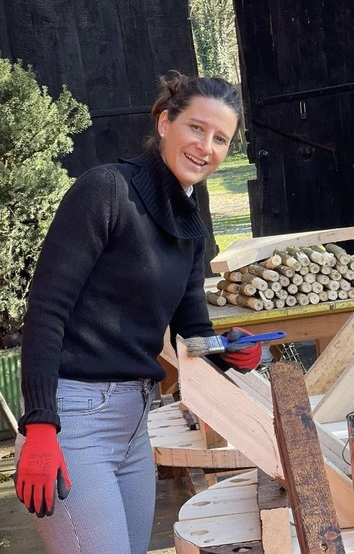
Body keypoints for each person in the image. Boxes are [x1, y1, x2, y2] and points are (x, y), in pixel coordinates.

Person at [13, 72, 263, 554]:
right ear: (165, 122)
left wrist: (229, 352)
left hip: (134, 424)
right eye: (196, 128)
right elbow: (44, 311)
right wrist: (40, 426)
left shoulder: (190, 218)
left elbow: (193, 331)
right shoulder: (106, 191)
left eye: (220, 139)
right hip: (73, 423)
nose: (205, 146)